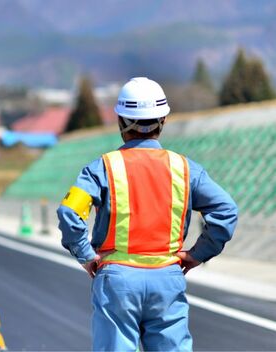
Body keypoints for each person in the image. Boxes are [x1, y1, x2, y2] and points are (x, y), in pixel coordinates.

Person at [57, 77, 238, 351]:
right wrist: (196, 255)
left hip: (117, 279)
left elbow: (70, 212)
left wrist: (86, 255)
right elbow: (226, 210)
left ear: (121, 121)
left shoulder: (102, 168)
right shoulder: (185, 169)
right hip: (167, 276)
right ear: (162, 120)